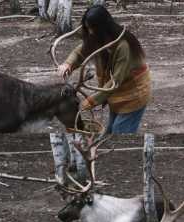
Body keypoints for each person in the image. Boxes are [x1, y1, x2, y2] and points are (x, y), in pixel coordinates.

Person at [58, 5, 151, 134]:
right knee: (110, 132)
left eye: (92, 28)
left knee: (120, 134)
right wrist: (68, 64)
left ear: (103, 27)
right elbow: (80, 51)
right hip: (116, 96)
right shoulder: (98, 37)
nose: (90, 32)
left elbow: (115, 82)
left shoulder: (123, 46)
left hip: (133, 96)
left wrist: (90, 101)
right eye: (88, 28)